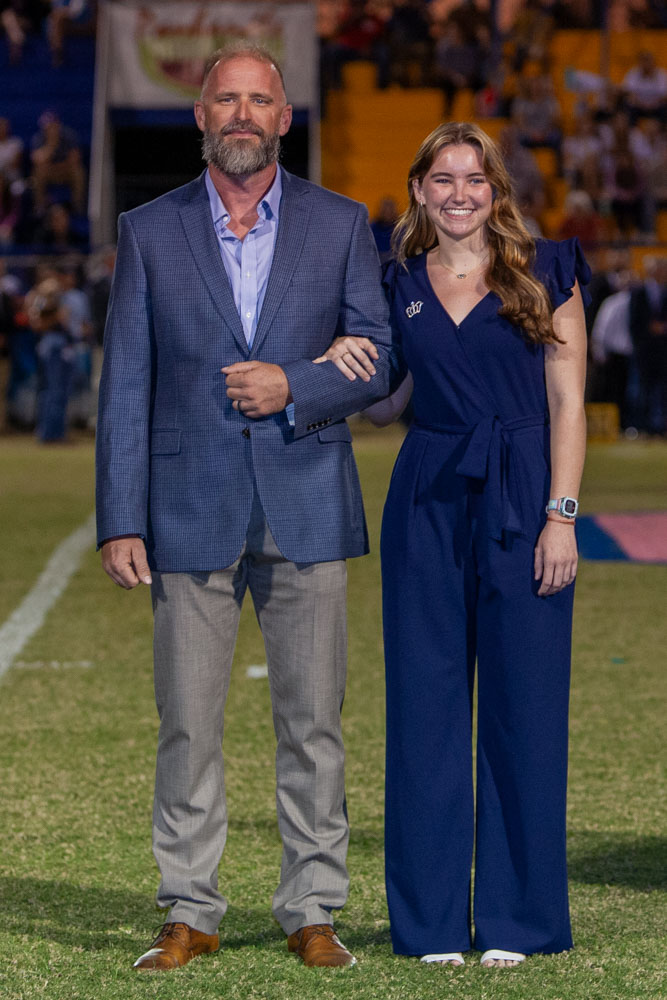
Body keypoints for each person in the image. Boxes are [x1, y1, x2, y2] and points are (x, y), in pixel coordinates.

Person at [96, 42, 398, 973]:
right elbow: (127, 380)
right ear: (200, 116)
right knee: (188, 722)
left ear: (283, 117)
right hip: (186, 503)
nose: (240, 114)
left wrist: (295, 384)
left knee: (313, 722)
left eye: (257, 100)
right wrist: (120, 516)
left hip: (306, 497)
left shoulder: (340, 223)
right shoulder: (148, 229)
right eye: (224, 99)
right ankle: (190, 907)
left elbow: (379, 357)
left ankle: (312, 906)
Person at [320, 122, 589, 968]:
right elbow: (383, 407)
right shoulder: (394, 279)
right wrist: (343, 356)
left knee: (525, 710)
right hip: (427, 494)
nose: (459, 194)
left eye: (474, 179)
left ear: (496, 189)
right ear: (419, 189)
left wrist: (561, 515)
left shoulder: (547, 268)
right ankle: (429, 923)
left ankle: (519, 920)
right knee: (424, 706)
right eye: (443, 179)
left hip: (524, 492)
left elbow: (568, 403)